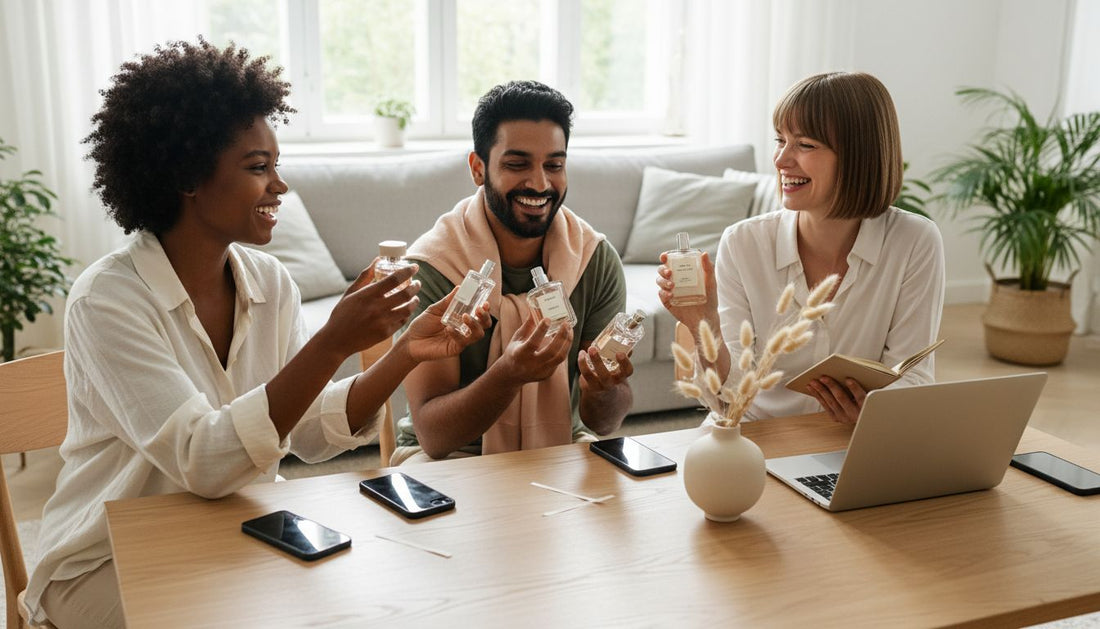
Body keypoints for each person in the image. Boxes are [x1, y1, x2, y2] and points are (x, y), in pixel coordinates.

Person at [25, 40, 489, 628]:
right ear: (189, 175)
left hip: (230, 530)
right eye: (257, 167)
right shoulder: (108, 300)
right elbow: (203, 460)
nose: (280, 187)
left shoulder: (269, 283)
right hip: (104, 560)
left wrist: (403, 355)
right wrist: (332, 342)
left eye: (276, 165)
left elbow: (305, 433)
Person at [658, 71, 944, 424]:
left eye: (805, 145)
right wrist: (704, 322)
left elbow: (914, 376)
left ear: (860, 156)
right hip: (753, 439)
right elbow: (728, 400)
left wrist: (873, 411)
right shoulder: (743, 243)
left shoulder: (915, 241)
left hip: (854, 439)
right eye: (780, 140)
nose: (780, 160)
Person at [392, 80, 634, 465]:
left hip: (562, 445)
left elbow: (604, 423)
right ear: (478, 168)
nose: (539, 183)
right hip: (450, 459)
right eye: (517, 164)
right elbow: (435, 437)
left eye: (554, 165)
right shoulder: (434, 267)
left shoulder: (594, 260)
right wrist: (509, 374)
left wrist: (604, 389)